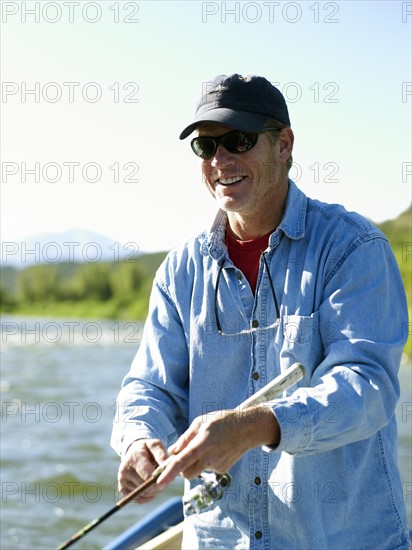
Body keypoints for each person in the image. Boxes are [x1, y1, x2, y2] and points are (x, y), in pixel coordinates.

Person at [111, 74, 409, 549]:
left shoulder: (355, 247)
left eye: (239, 141)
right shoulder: (178, 272)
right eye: (206, 147)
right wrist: (139, 440)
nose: (220, 160)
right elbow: (149, 387)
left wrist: (257, 426)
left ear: (284, 145)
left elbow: (366, 386)